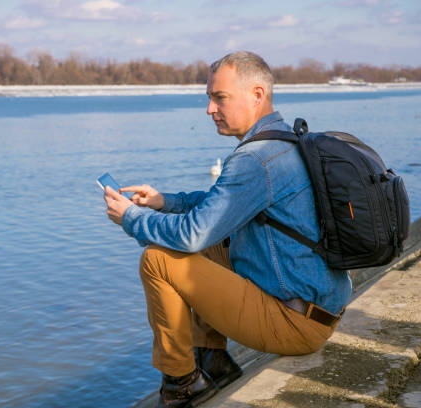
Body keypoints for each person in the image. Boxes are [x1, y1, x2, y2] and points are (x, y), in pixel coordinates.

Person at [103, 51, 351, 408]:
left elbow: (192, 234)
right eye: (209, 97)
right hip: (319, 309)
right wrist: (164, 202)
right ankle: (212, 361)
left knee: (158, 259)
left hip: (296, 324)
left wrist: (131, 218)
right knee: (209, 245)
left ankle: (182, 382)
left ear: (257, 94)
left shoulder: (255, 159)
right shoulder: (284, 141)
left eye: (219, 97)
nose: (209, 109)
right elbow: (220, 205)